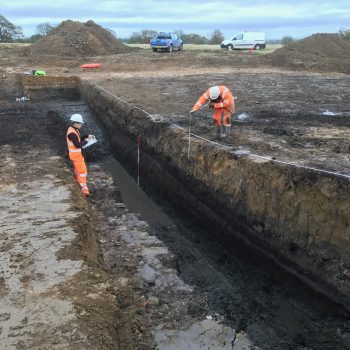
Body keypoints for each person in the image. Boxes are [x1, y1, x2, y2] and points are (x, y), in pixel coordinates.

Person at [66, 114, 94, 196]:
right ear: (75, 123)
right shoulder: (72, 133)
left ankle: (78, 183)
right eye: (80, 123)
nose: (81, 125)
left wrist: (87, 136)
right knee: (82, 172)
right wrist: (87, 141)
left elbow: (78, 138)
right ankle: (85, 192)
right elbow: (77, 145)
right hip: (76, 156)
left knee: (78, 171)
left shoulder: (73, 129)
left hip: (77, 155)